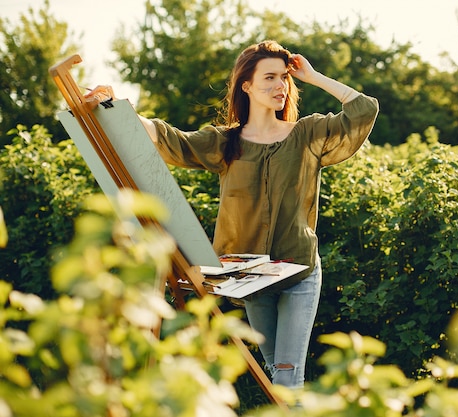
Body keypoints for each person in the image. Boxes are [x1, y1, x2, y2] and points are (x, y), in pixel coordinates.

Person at [86, 40, 378, 389]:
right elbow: (169, 139)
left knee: (287, 377)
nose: (280, 86)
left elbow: (363, 111)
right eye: (269, 78)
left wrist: (314, 77)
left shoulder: (307, 134)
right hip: (251, 277)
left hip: (299, 272)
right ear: (246, 85)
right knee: (275, 373)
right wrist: (118, 108)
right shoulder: (226, 142)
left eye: (284, 78)